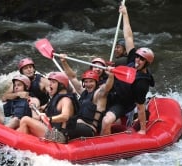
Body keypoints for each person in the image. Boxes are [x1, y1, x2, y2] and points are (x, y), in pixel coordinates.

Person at [101, 5, 155, 135]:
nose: (137, 60)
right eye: (137, 57)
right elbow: (128, 37)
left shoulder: (142, 83)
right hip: (111, 93)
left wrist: (143, 130)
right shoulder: (132, 59)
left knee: (106, 121)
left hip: (123, 103)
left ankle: (105, 143)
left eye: (141, 59)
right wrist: (125, 14)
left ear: (146, 63)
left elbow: (140, 107)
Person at [59, 54, 113, 139]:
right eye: (86, 82)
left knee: (67, 126)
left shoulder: (98, 94)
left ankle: (60, 138)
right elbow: (72, 77)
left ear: (96, 82)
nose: (88, 84)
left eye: (91, 81)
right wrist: (64, 62)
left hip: (90, 129)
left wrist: (111, 76)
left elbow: (107, 87)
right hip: (78, 124)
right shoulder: (84, 91)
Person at [17, 72, 79, 143]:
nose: (49, 84)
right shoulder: (56, 98)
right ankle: (19, 145)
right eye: (50, 82)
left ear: (61, 85)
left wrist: (49, 119)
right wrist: (34, 108)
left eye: (53, 82)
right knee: (22, 127)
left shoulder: (66, 100)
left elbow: (65, 116)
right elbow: (43, 116)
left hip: (60, 137)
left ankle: (21, 145)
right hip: (52, 130)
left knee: (25, 119)